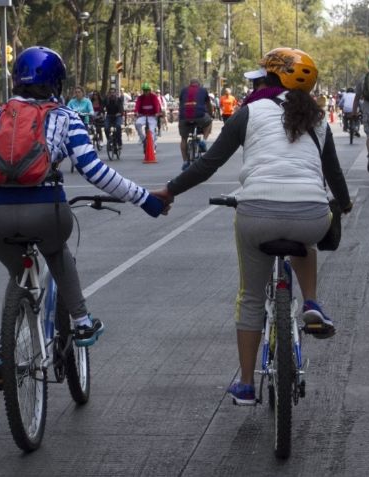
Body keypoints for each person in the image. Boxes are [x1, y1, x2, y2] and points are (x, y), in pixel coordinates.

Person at [149, 48, 352, 405]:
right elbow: (333, 172)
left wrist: (169, 191)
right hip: (311, 214)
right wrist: (345, 205)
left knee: (252, 297)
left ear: (271, 78)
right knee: (306, 236)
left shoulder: (249, 112)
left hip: (256, 212)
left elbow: (208, 164)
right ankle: (312, 302)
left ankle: (245, 384)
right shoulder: (318, 118)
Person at [0, 46, 166, 389]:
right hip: (45, 212)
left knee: (16, 272)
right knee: (57, 250)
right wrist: (144, 199)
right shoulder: (65, 117)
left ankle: (5, 352)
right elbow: (95, 171)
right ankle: (81, 321)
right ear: (55, 82)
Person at [177, 78, 213, 170]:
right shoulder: (203, 91)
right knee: (209, 122)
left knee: (183, 138)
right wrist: (210, 114)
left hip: (184, 117)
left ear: (190, 84)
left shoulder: (183, 90)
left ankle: (185, 161)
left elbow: (181, 103)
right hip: (199, 115)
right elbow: (208, 104)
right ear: (198, 84)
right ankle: (204, 141)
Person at [104, 87, 125, 152]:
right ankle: (109, 141)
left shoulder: (119, 100)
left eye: (113, 92)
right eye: (110, 93)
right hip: (109, 116)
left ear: (116, 93)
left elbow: (121, 110)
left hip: (117, 116)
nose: (112, 94)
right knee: (106, 127)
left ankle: (119, 142)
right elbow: (102, 107)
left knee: (118, 126)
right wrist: (101, 113)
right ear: (109, 94)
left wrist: (119, 113)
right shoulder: (106, 100)